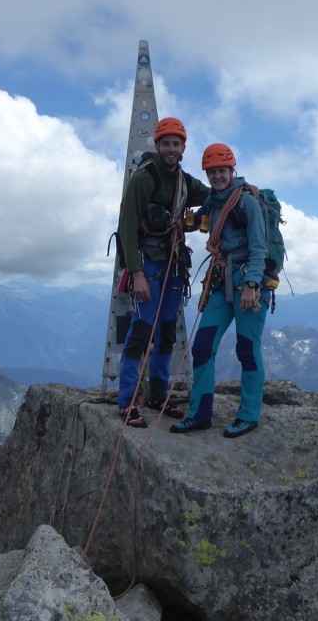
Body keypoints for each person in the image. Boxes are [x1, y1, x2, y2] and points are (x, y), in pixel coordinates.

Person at [116, 117, 210, 428]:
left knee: (167, 331)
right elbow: (127, 228)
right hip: (150, 266)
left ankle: (156, 394)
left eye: (177, 143)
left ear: (184, 148)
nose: (172, 149)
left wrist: (242, 189)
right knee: (141, 333)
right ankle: (127, 403)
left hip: (173, 264)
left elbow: (212, 194)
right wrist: (137, 273)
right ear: (157, 146)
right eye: (166, 143)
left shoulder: (184, 181)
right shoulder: (143, 180)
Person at [171, 143, 269, 439]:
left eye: (222, 171)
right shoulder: (214, 202)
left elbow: (259, 247)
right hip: (222, 282)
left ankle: (249, 415)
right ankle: (199, 414)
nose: (217, 176)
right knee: (202, 347)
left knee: (247, 349)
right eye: (212, 172)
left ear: (232, 170)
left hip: (248, 285)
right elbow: (198, 222)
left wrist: (252, 284)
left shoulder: (246, 202)